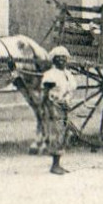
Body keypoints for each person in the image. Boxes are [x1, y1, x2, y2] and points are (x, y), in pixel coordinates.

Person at [39, 46, 75, 175]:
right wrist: (47, 108)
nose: (61, 60)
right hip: (54, 106)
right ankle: (54, 165)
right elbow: (46, 93)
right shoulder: (51, 75)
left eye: (63, 58)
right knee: (56, 134)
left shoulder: (67, 74)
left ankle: (58, 164)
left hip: (65, 105)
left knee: (64, 133)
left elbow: (70, 89)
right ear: (54, 60)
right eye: (58, 58)